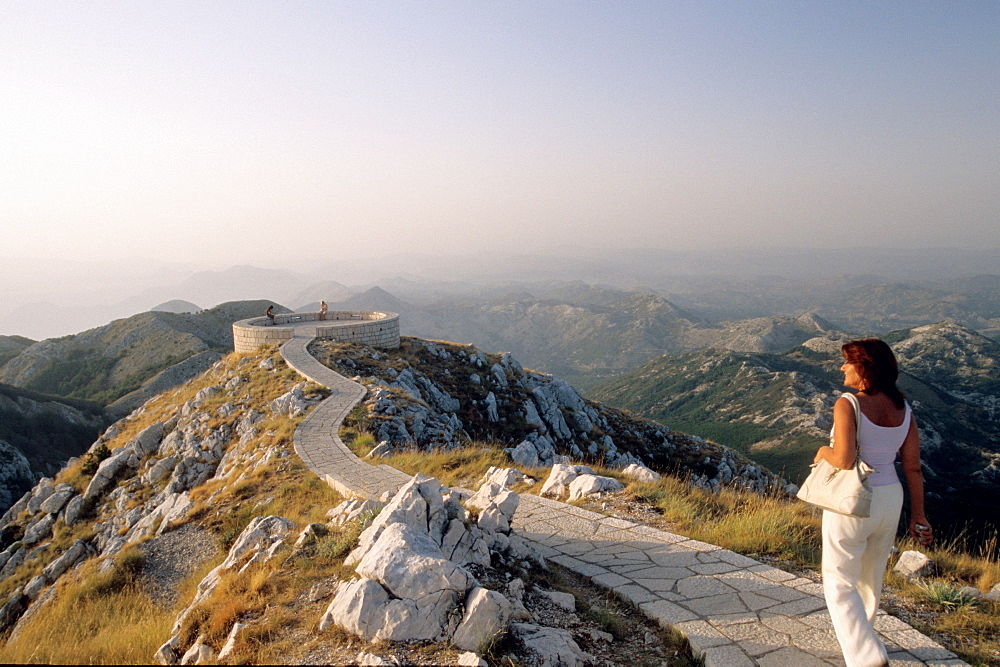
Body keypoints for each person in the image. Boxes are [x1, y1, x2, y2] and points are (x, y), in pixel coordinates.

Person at [813, 339, 932, 667]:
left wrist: (822, 452)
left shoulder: (848, 403)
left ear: (864, 368)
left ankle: (866, 655)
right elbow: (913, 467)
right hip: (890, 497)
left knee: (838, 578)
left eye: (847, 362)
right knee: (871, 575)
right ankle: (865, 636)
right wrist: (919, 514)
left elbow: (844, 458)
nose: (842, 368)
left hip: (854, 499)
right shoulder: (904, 409)